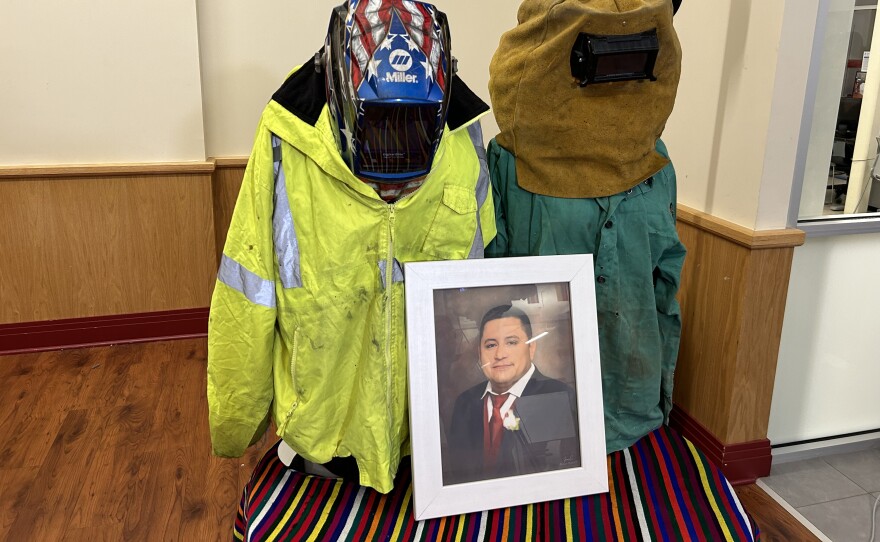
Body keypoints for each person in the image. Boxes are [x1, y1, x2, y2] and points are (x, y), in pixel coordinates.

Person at [207, 0, 494, 494]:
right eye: (379, 122)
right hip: (321, 442)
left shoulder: (464, 132)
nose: (395, 142)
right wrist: (236, 424)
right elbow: (247, 287)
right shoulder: (288, 135)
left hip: (427, 431)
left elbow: (485, 269)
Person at [486, 0, 686, 455]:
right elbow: (491, 286)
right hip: (537, 421)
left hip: (629, 413)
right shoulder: (508, 166)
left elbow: (661, 286)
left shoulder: (656, 168)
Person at [446, 305, 579, 485]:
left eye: (511, 342)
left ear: (531, 348)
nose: (500, 354)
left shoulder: (560, 397)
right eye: (491, 345)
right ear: (480, 353)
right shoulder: (465, 403)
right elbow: (459, 472)